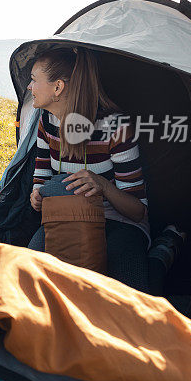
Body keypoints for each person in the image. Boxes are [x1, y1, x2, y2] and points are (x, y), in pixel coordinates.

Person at [26, 47, 150, 292]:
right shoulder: (46, 121)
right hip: (67, 218)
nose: (29, 87)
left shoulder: (115, 126)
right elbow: (41, 173)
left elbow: (138, 211)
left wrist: (102, 185)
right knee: (31, 277)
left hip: (118, 222)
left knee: (124, 296)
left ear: (57, 88)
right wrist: (37, 194)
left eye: (33, 80)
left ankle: (163, 252)